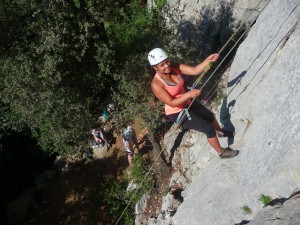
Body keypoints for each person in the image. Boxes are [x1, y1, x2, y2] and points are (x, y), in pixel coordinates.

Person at [148, 48, 239, 159]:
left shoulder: (174, 67)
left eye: (167, 61)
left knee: (210, 116)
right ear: (155, 68)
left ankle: (221, 132)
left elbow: (195, 70)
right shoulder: (156, 84)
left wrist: (208, 60)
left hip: (187, 101)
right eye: (162, 65)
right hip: (177, 112)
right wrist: (188, 95)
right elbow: (171, 102)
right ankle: (221, 153)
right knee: (209, 130)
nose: (167, 65)